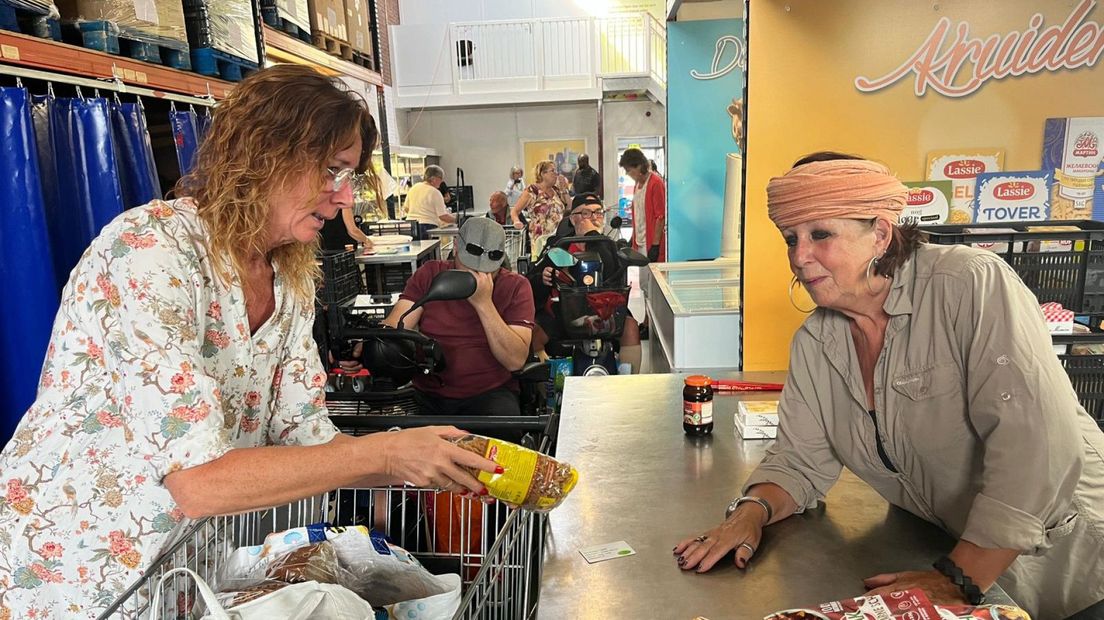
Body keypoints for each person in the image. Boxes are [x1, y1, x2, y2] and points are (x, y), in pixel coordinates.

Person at [0, 65, 501, 618]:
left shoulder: (287, 280)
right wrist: (386, 451)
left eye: (350, 177)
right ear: (263, 155)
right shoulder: (151, 253)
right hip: (76, 571)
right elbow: (198, 482)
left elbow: (305, 440)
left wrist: (428, 459)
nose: (342, 199)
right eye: (330, 170)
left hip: (184, 572)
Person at [673, 153, 1104, 620]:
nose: (800, 257)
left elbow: (1037, 446)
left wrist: (959, 577)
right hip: (963, 557)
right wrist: (750, 512)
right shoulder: (818, 342)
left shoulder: (967, 284)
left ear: (880, 233)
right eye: (790, 238)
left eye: (821, 234)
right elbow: (800, 459)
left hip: (1074, 561)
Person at [383, 217, 535, 418]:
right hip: (428, 391)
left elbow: (515, 360)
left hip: (490, 393)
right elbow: (397, 327)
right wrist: (373, 345)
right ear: (456, 247)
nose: (479, 272)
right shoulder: (430, 274)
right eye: (470, 264)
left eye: (489, 268)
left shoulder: (516, 286)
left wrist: (484, 304)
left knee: (502, 433)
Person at [528, 193, 641, 372]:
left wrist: (592, 235)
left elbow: (612, 272)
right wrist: (543, 278)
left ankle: (627, 380)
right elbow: (531, 279)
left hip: (605, 310)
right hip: (563, 311)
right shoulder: (558, 244)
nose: (594, 218)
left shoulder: (608, 244)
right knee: (533, 333)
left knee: (631, 328)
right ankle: (547, 390)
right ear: (573, 219)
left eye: (598, 213)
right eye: (586, 213)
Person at [510, 159, 566, 261]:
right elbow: (515, 210)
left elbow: (570, 207)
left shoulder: (557, 190)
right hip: (541, 240)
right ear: (542, 174)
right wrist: (516, 221)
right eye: (552, 171)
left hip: (558, 239)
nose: (556, 174)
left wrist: (564, 189)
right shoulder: (532, 190)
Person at [620, 147, 666, 262]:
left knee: (652, 278)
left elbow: (660, 217)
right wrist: (633, 237)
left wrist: (655, 245)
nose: (627, 173)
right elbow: (638, 214)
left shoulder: (656, 183)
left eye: (628, 170)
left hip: (651, 242)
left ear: (639, 166)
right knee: (643, 279)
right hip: (640, 242)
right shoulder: (637, 185)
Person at [405, 164, 456, 239]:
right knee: (429, 250)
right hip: (427, 227)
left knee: (416, 249)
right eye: (440, 178)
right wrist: (458, 220)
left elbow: (406, 208)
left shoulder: (414, 187)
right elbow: (443, 216)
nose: (442, 181)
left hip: (410, 227)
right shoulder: (435, 192)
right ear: (434, 178)